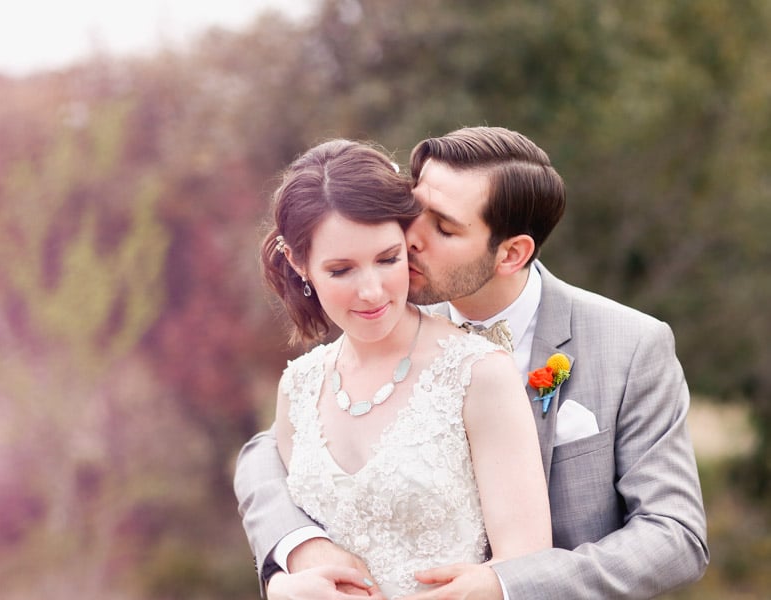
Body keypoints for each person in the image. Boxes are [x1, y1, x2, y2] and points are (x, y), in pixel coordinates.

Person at [235, 127, 710, 599]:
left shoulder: (630, 345)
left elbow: (675, 537)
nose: (411, 237)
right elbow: (268, 452)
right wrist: (299, 549)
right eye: (414, 211)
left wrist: (506, 585)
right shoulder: (383, 316)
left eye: (443, 227)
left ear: (511, 253)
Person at [250, 138, 551, 599]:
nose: (371, 291)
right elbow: (286, 514)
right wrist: (285, 586)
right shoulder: (298, 386)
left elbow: (527, 565)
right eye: (341, 270)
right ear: (299, 263)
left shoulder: (478, 373)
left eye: (388, 259)